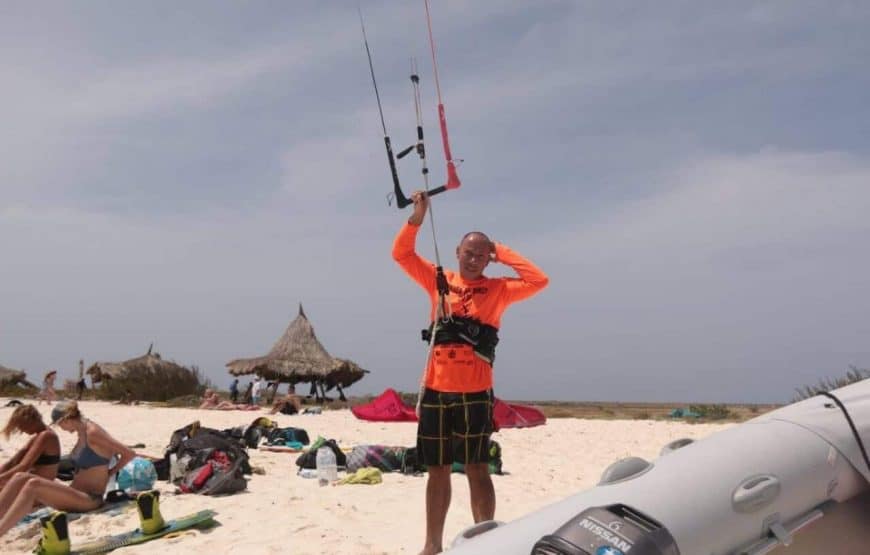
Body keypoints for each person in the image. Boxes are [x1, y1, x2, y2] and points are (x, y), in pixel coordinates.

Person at [392, 191, 549, 555]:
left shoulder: (499, 289)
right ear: (457, 253)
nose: (475, 259)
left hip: (476, 392)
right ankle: (432, 545)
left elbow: (539, 280)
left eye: (482, 254)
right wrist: (417, 217)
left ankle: (486, 540)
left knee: (478, 466)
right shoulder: (438, 280)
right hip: (435, 389)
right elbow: (401, 254)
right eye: (469, 252)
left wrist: (501, 251)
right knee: (438, 470)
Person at [0, 401, 137, 537]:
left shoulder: (93, 433)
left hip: (90, 498)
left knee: (33, 484)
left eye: (59, 424)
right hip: (75, 492)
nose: (61, 428)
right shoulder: (82, 432)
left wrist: (110, 473)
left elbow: (129, 453)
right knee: (20, 477)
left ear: (66, 419)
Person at [0, 404, 61, 488]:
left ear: (30, 421)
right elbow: (14, 460)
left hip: (40, 487)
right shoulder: (38, 436)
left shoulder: (46, 436)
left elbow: (24, 466)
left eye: (22, 426)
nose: (21, 429)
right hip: (32, 483)